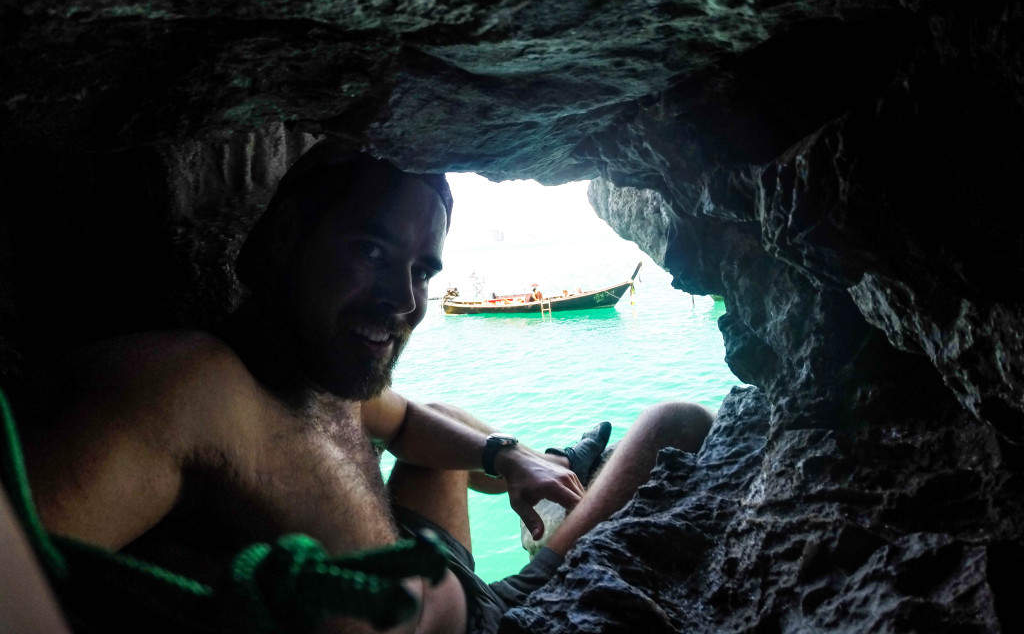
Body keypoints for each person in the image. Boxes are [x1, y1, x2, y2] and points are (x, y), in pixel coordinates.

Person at [16, 140, 715, 634]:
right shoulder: (185, 389)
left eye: (421, 271)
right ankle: (563, 497)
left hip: (453, 579)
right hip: (494, 619)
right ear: (283, 239)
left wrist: (508, 457)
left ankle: (550, 468)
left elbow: (406, 423)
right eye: (371, 251)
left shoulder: (324, 376)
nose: (404, 300)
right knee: (675, 422)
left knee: (434, 421)